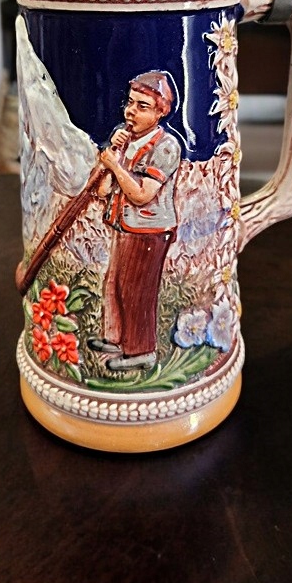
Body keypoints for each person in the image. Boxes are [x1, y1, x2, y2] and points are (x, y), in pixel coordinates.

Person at [88, 71, 181, 370]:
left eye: (142, 106)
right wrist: (110, 156)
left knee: (136, 290)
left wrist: (116, 166)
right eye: (130, 103)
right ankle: (115, 338)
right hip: (124, 225)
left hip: (149, 230)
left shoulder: (165, 147)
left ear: (160, 111)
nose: (131, 111)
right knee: (114, 283)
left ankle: (140, 350)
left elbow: (142, 195)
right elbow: (102, 191)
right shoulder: (125, 139)